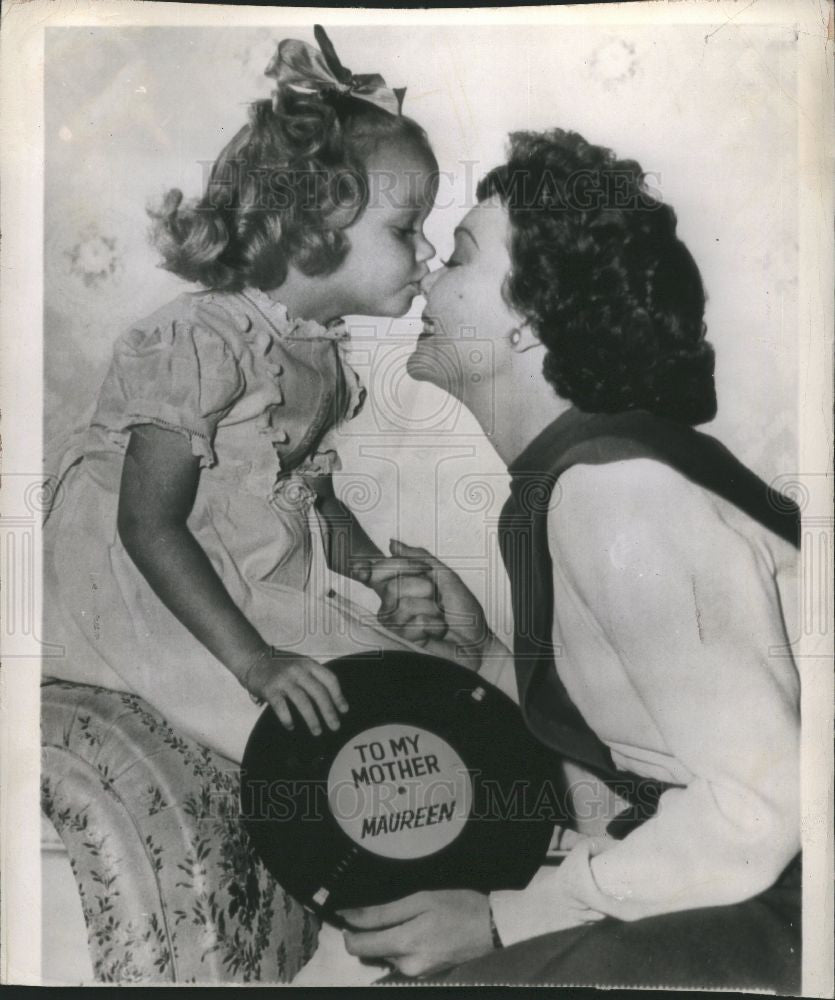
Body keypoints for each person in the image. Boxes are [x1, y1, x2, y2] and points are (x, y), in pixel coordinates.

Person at [336, 129, 802, 991]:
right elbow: (653, 733)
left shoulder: (615, 494)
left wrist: (503, 918)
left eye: (462, 258)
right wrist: (486, 656)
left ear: (526, 315)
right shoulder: (585, 475)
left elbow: (761, 808)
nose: (429, 273)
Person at [42, 27, 448, 763]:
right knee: (320, 729)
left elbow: (312, 499)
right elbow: (147, 524)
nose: (427, 254)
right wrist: (255, 661)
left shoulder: (318, 349)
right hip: (143, 576)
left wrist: (369, 573)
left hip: (239, 564)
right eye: (406, 228)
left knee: (418, 680)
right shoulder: (198, 339)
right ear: (312, 230)